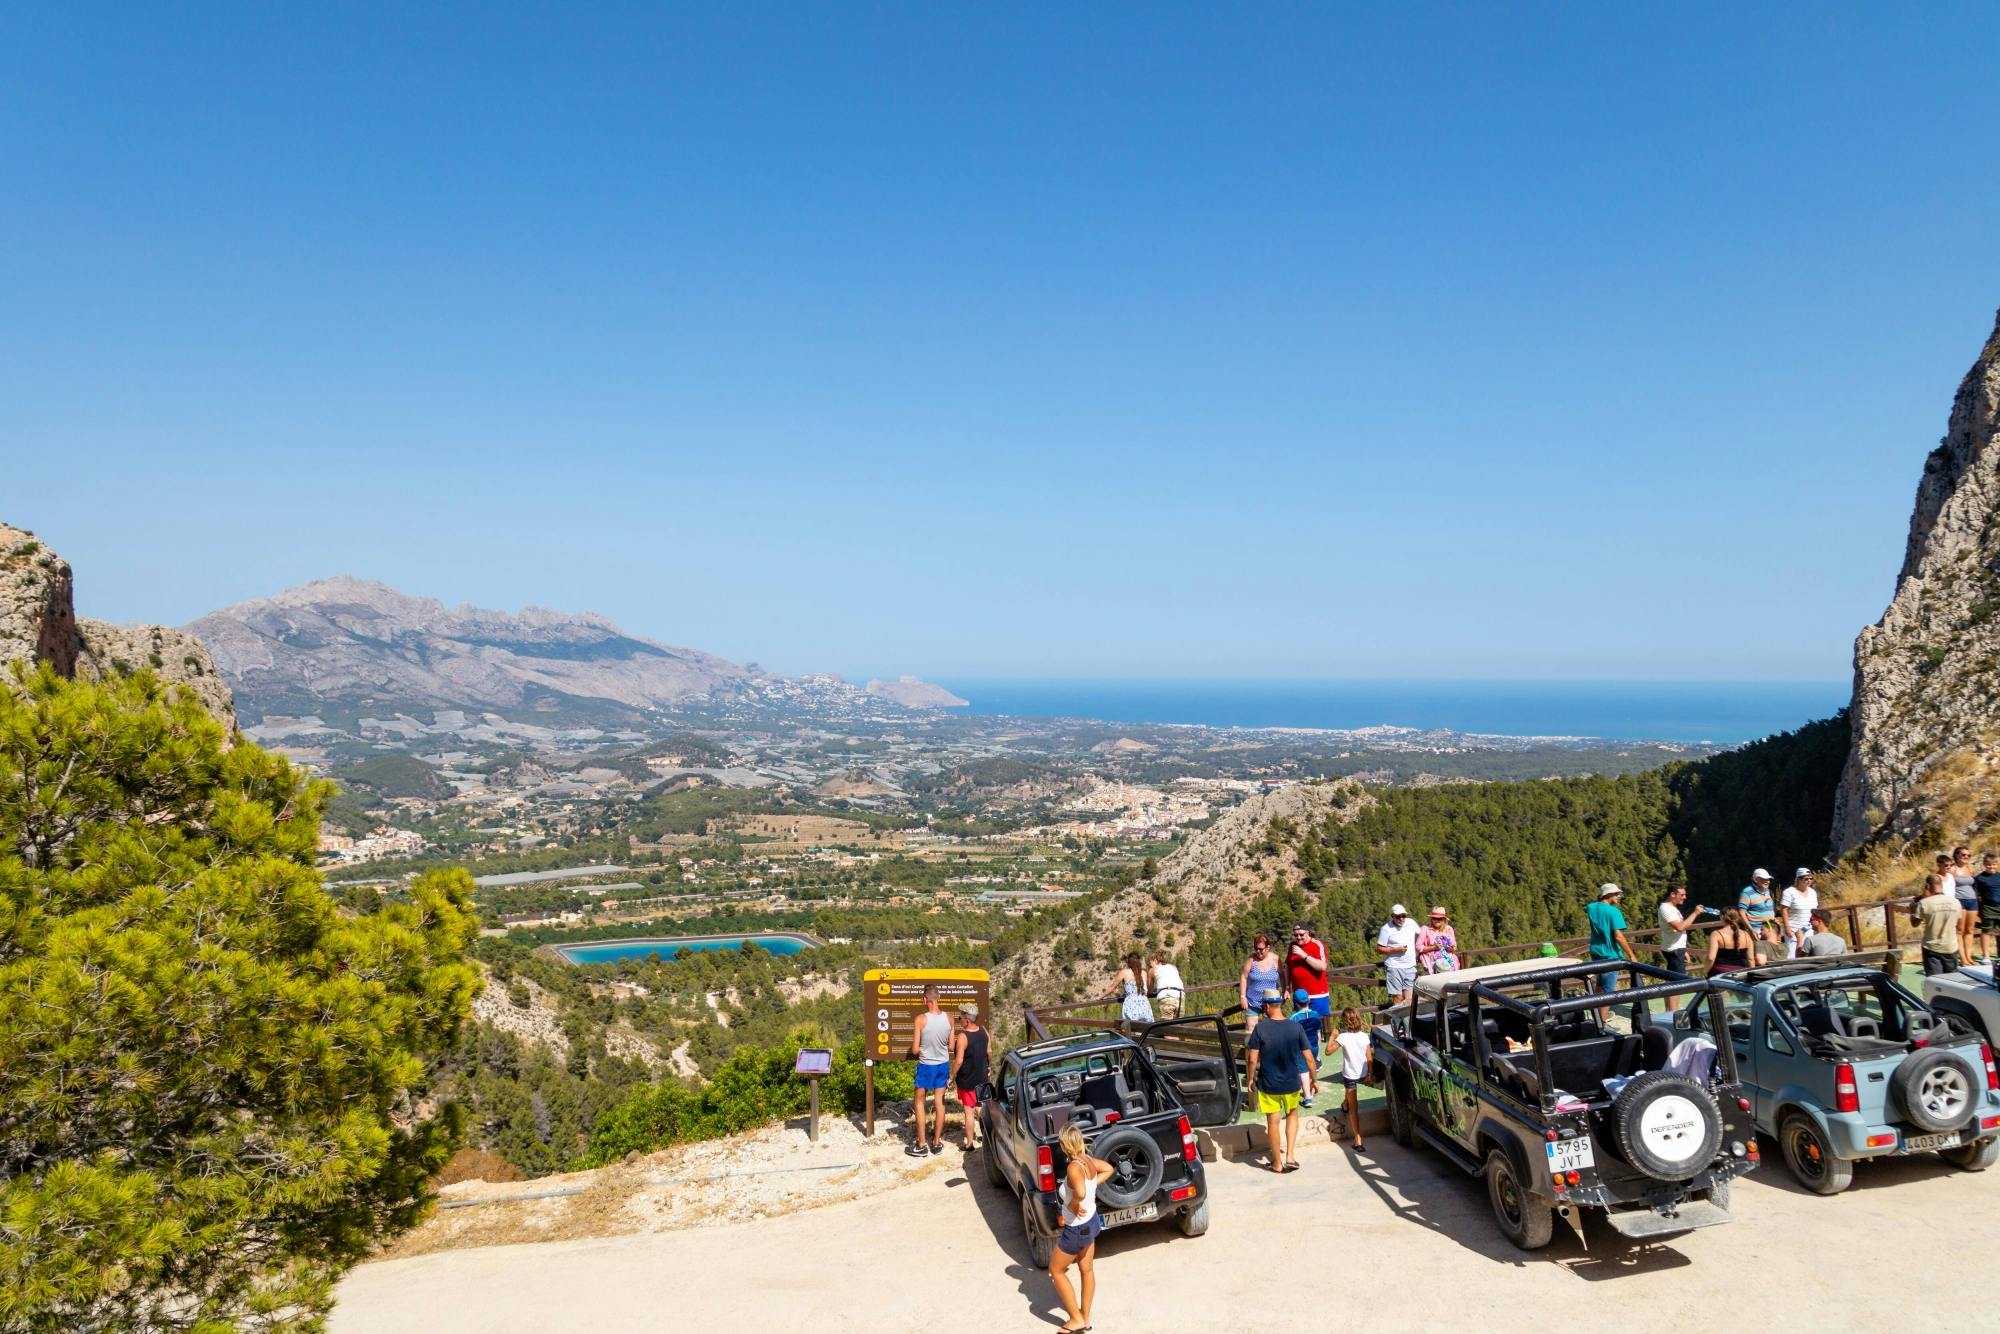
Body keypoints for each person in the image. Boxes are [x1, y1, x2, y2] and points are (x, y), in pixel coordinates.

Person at [1048, 1123, 1113, 1334]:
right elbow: (1109, 1169)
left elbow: (1082, 1193)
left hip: (1076, 1228)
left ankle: (1076, 1319)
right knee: (1087, 1270)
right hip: (1091, 1221)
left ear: (1065, 1144)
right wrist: (1092, 1186)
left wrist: (1073, 1204)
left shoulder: (1073, 1167)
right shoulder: (1087, 1160)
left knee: (1056, 1270)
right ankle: (1085, 1318)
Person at [1244, 989, 1315, 1173]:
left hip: (1269, 1084)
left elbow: (1252, 1059)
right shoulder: (1295, 1027)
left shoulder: (1260, 1029)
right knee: (1292, 1115)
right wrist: (1314, 1080)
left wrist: (1250, 1079)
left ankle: (1276, 1163)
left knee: (1273, 1122)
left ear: (1266, 1006)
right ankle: (1290, 1156)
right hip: (1292, 1083)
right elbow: (1309, 1058)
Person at [908, 985, 952, 1156]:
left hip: (926, 1065)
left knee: (919, 1102)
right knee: (939, 1103)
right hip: (943, 1064)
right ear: (938, 998)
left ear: (925, 1000)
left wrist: (925, 1048)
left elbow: (914, 1050)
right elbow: (951, 1045)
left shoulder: (920, 1019)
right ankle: (937, 1142)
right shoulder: (949, 1017)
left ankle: (921, 1145)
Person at [1586, 884, 1633, 1018]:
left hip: (1596, 952)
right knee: (1608, 990)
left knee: (1600, 984)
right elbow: (1619, 936)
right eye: (1616, 894)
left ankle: (1595, 1016)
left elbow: (1589, 907)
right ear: (1608, 895)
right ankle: (1603, 1020)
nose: (1619, 896)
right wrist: (1631, 954)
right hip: (1610, 955)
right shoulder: (1614, 912)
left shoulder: (1591, 907)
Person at [948, 1002, 988, 1152]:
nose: (959, 1020)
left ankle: (969, 1143)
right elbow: (989, 1051)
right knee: (980, 1106)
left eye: (960, 1017)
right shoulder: (984, 1031)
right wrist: (988, 1067)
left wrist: (952, 1077)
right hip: (982, 1077)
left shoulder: (963, 1036)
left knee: (969, 1110)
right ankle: (988, 1135)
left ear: (967, 1019)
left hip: (968, 1080)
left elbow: (958, 1061)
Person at [1331, 1006, 1372, 1152]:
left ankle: (1358, 1140)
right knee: (1349, 1100)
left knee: (1354, 1110)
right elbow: (1369, 1058)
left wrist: (1332, 1036)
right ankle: (1344, 1104)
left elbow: (1328, 1051)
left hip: (1350, 1076)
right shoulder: (1364, 1036)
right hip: (1363, 1072)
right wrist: (1369, 1074)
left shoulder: (1343, 1037)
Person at [1912, 872, 1964, 976]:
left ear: (1927, 886)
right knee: (1952, 980)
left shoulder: (1924, 903)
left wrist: (1913, 908)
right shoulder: (1956, 902)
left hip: (1932, 948)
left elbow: (1914, 923)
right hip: (1951, 947)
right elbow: (1960, 927)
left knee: (1934, 981)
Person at [1656, 884, 1693, 1010]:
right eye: (1682, 895)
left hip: (1677, 949)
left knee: (1671, 981)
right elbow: (1680, 927)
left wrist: (1684, 950)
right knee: (1676, 985)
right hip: (1674, 950)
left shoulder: (1672, 908)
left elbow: (1678, 932)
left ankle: (1669, 1012)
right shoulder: (1666, 908)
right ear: (1673, 894)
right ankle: (1672, 1014)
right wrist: (1696, 913)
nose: (1685, 897)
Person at [1375, 905, 1420, 1007]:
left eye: (1403, 916)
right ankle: (1399, 1020)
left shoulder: (1411, 923)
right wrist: (1395, 950)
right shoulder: (1386, 929)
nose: (1401, 919)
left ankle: (1408, 1021)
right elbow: (1379, 948)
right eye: (1398, 917)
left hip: (1410, 966)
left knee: (1409, 997)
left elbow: (1421, 934)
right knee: (1398, 997)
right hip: (1394, 967)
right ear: (1392, 916)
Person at [1287, 987, 1323, 1109]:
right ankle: (1312, 1088)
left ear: (1295, 1003)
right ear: (1308, 1001)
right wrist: (1318, 1050)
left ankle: (1307, 1097)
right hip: (1314, 1046)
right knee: (1313, 1067)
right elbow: (1318, 1034)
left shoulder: (1294, 1018)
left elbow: (1291, 1036)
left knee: (1303, 1071)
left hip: (1301, 1048)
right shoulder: (1316, 1015)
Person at [1287, 922, 1330, 1021]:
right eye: (1296, 935)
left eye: (1301, 934)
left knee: (1319, 1026)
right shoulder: (1292, 945)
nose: (1298, 937)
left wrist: (1304, 955)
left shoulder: (1317, 945)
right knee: (1302, 1026)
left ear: (1308, 932)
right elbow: (1288, 966)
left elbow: (1322, 966)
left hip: (1317, 996)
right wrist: (1287, 987)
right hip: (1299, 996)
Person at [1239, 933, 1281, 1029]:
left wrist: (1286, 989)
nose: (1258, 951)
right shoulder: (1251, 960)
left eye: (1261, 949)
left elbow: (1283, 974)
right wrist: (1242, 997)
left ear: (1267, 948)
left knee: (1271, 1030)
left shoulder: (1275, 959)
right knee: (1250, 1030)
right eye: (1256, 948)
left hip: (1271, 1002)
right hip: (1253, 1002)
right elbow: (1243, 977)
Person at [1738, 869, 1779, 959]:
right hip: (1757, 929)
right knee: (1758, 955)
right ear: (1756, 880)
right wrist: (1751, 930)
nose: (1768, 881)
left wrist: (1773, 918)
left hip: (1770, 928)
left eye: (1768, 879)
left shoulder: (1768, 891)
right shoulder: (1746, 892)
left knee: (1770, 954)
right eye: (1765, 879)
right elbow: (1742, 913)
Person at [1779, 869, 1819, 960]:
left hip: (1808, 928)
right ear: (1799, 879)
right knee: (1792, 955)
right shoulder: (1789, 892)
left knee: (1808, 954)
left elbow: (1815, 910)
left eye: (1811, 878)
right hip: (1793, 928)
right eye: (1805, 879)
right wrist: (1787, 927)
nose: (1809, 881)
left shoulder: (1813, 892)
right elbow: (1784, 910)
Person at [1951, 846, 1980, 965]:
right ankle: (1963, 958)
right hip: (1959, 901)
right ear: (1956, 855)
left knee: (1970, 930)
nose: (1966, 857)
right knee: (1960, 930)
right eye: (1963, 855)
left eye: (1968, 855)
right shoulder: (1952, 869)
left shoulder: (1970, 868)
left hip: (1972, 900)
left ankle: (1969, 957)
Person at [1706, 907, 1756, 975]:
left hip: (1720, 973)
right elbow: (1751, 959)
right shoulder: (1746, 935)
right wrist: (1752, 975)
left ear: (1722, 917)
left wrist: (1705, 971)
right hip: (1741, 973)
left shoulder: (1716, 934)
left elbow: (1710, 958)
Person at [1111, 952, 1152, 1028]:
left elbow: (1112, 988)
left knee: (1133, 1030)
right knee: (1146, 1029)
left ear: (1128, 962)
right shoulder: (1144, 973)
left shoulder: (1124, 972)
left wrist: (1100, 997)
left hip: (1131, 1005)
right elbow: (1147, 989)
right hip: (1144, 1003)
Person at [1417, 906, 1459, 975]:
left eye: (1439, 918)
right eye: (1434, 918)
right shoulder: (1425, 929)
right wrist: (1434, 947)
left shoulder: (1449, 929)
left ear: (1444, 919)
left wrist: (1447, 948)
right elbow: (1418, 947)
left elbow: (1454, 948)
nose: (1436, 920)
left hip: (1448, 962)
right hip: (1432, 963)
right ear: (1431, 918)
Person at [1975, 852, 2000, 965]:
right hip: (1987, 908)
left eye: (1994, 864)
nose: (1991, 867)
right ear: (1984, 864)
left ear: (1997, 864)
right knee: (1986, 931)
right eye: (1989, 864)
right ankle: (1986, 956)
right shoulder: (1980, 878)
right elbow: (1976, 895)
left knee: (1999, 932)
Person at [1149, 950, 1185, 1020]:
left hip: (1167, 997)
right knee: (1179, 1026)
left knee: (1167, 1027)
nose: (1150, 965)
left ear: (1156, 960)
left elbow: (1149, 991)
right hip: (1181, 996)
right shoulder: (1173, 967)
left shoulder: (1153, 969)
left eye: (1151, 962)